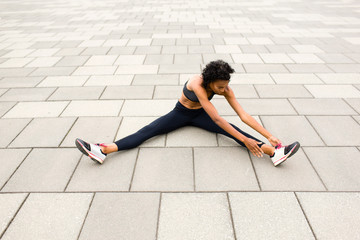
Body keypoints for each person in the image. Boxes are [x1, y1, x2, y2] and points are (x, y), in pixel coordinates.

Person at [75, 60, 300, 167]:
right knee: (147, 132)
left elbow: (243, 115)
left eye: (225, 86)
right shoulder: (197, 84)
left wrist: (267, 134)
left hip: (201, 115)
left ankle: (274, 152)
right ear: (209, 81)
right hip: (181, 114)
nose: (223, 91)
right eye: (219, 87)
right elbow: (217, 118)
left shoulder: (225, 88)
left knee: (237, 133)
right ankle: (103, 150)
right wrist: (244, 139)